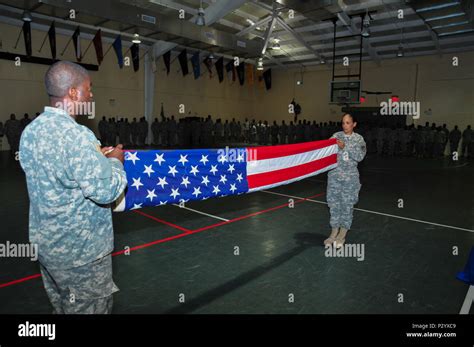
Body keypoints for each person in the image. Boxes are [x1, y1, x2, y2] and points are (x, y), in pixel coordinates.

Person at [18, 61, 127, 314]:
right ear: (73, 93)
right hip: (81, 254)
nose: (91, 94)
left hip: (48, 247)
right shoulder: (77, 135)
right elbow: (106, 191)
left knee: (63, 308)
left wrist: (94, 157)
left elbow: (56, 171)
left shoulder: (32, 131)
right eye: (88, 89)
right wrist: (114, 162)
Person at [324, 113, 366, 248]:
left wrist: (345, 147)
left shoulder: (359, 139)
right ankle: (333, 233)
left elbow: (360, 156)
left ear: (354, 124)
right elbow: (325, 150)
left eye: (348, 123)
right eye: (343, 123)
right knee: (334, 205)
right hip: (334, 177)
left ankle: (342, 235)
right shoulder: (336, 136)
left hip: (350, 179)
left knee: (347, 206)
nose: (345, 125)